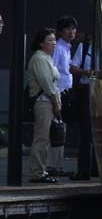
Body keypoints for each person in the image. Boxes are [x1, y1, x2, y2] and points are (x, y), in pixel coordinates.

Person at [49, 16, 86, 177]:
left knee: (60, 129)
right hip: (59, 92)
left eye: (74, 28)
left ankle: (58, 166)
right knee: (56, 129)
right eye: (68, 28)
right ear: (60, 31)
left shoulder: (67, 48)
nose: (72, 31)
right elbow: (53, 70)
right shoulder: (58, 48)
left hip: (65, 92)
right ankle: (52, 166)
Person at [26, 27, 61, 184]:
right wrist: (56, 102)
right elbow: (47, 83)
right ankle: (37, 172)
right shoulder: (39, 58)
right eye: (50, 40)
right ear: (41, 43)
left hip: (48, 102)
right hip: (43, 102)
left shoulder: (47, 58)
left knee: (45, 138)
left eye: (54, 39)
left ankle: (42, 170)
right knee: (41, 138)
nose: (54, 43)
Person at [71, 32, 97, 180]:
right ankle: (83, 170)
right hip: (86, 90)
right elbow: (73, 68)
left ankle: (96, 169)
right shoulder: (84, 46)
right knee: (85, 132)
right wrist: (87, 72)